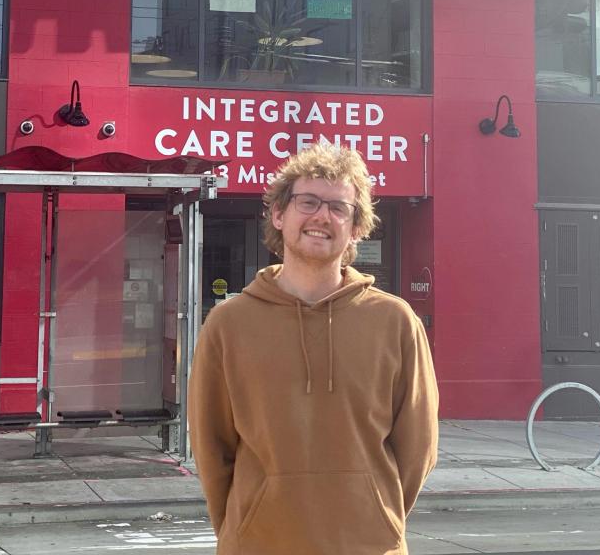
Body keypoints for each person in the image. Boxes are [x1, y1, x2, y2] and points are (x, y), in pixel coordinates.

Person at [188, 143, 439, 555]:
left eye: (339, 208)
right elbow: (211, 451)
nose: (322, 216)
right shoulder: (228, 324)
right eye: (308, 202)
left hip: (369, 546)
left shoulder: (396, 322)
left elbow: (418, 449)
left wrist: (377, 517)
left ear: (356, 228)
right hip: (257, 546)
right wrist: (242, 525)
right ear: (278, 214)